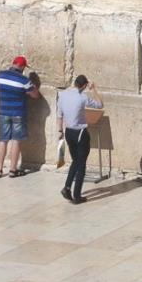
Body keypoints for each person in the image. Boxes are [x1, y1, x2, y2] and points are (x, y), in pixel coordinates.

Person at [57, 75, 103, 204]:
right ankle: (77, 195)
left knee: (75, 161)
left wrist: (60, 131)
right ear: (84, 85)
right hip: (80, 133)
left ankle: (67, 187)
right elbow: (99, 104)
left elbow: (59, 115)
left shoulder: (63, 95)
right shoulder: (83, 97)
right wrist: (93, 89)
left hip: (68, 132)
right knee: (81, 164)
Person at [0, 56, 40, 178]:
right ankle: (13, 170)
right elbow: (35, 95)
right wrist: (33, 86)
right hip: (18, 113)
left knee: (3, 140)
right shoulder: (24, 80)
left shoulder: (0, 75)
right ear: (23, 67)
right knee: (16, 141)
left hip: (3, 112)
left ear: (13, 64)